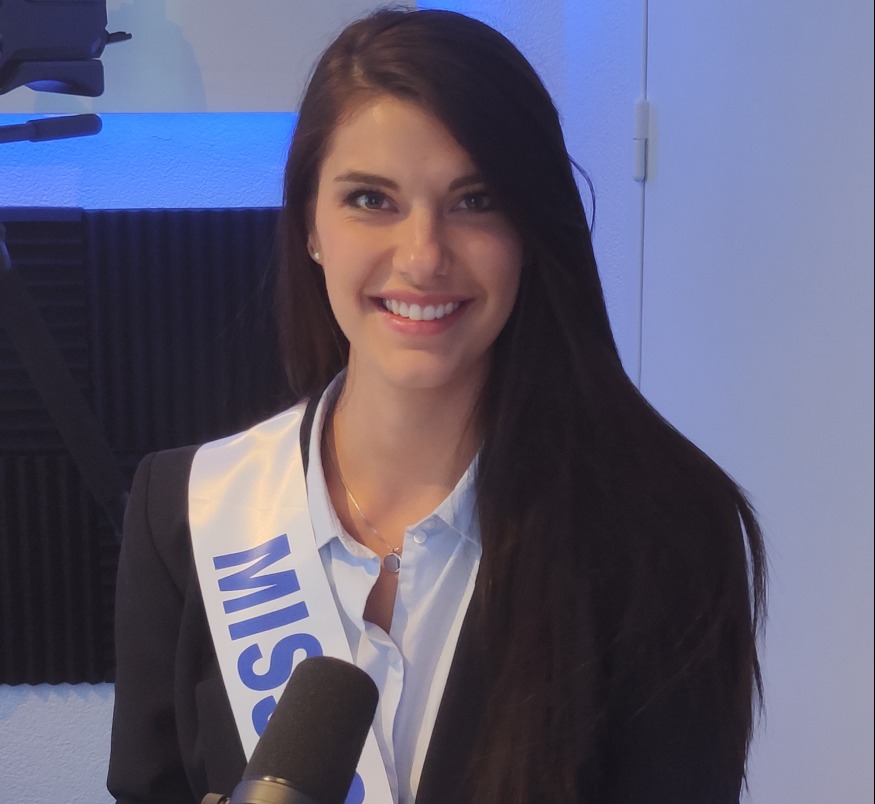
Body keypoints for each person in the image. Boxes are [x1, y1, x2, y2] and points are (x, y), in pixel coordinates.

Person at [107, 8, 766, 804]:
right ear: (309, 224)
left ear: (529, 228)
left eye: (475, 200)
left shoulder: (661, 535)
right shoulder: (188, 512)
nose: (422, 257)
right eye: (370, 199)